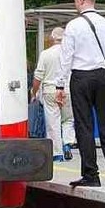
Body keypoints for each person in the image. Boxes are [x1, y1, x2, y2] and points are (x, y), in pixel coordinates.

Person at [55, 0, 105, 187]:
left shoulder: (74, 26)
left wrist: (60, 85)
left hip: (81, 77)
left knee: (84, 125)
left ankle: (91, 174)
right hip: (104, 76)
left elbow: (66, 57)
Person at [31, 27, 75, 162]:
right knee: (68, 119)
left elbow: (38, 76)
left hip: (50, 90)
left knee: (53, 122)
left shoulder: (46, 54)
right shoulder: (70, 53)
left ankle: (57, 153)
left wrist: (34, 92)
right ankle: (67, 143)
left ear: (52, 39)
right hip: (68, 90)